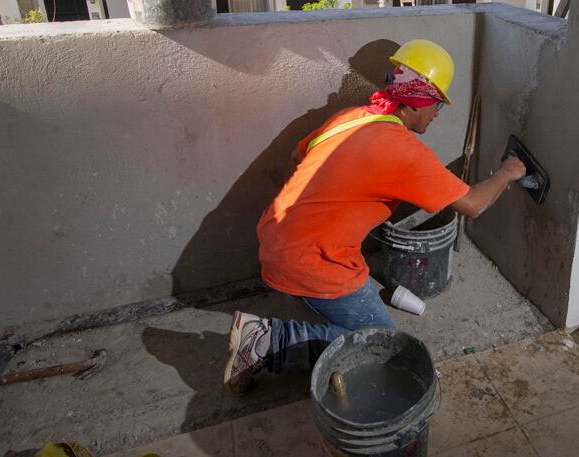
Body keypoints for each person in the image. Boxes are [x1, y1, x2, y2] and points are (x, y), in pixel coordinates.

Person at [224, 39, 526, 392]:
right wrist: (507, 172)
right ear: (419, 102)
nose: (438, 114)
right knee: (383, 346)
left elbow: (297, 155)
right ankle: (264, 341)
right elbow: (473, 204)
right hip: (307, 260)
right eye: (437, 105)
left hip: (277, 235)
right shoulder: (403, 151)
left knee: (365, 304)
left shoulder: (351, 117)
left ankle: (305, 308)